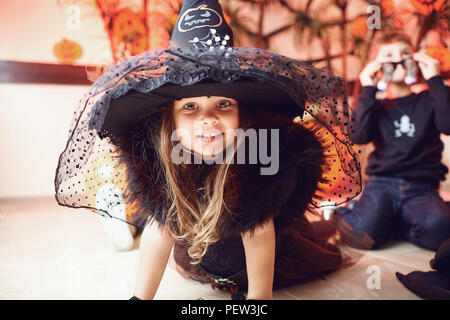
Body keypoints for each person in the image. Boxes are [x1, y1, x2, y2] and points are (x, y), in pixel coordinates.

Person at [54, 0, 362, 300]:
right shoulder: (164, 161)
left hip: (260, 261)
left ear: (242, 116)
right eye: (190, 106)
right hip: (204, 251)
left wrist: (258, 298)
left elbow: (259, 233)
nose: (208, 119)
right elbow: (159, 229)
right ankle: (129, 225)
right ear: (170, 121)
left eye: (223, 104)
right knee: (168, 224)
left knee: (304, 237)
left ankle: (329, 227)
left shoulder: (257, 160)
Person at [332, 32, 450, 251]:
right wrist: (368, 86)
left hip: (421, 187)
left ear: (415, 59)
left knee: (440, 233)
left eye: (405, 52)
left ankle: (394, 224)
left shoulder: (430, 99)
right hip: (382, 183)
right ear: (377, 65)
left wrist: (435, 78)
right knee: (362, 235)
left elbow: (447, 125)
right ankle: (345, 211)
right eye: (389, 54)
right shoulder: (374, 106)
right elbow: (359, 136)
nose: (398, 58)